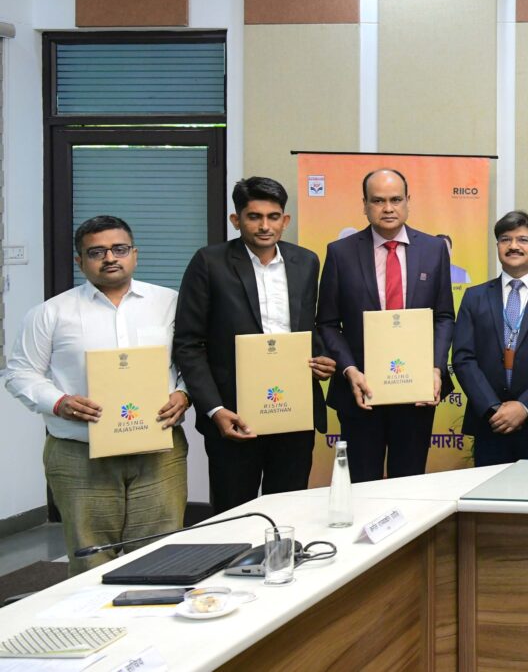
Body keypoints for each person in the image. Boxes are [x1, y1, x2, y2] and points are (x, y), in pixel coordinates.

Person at [3, 216, 190, 574]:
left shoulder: (169, 303)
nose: (110, 258)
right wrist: (59, 403)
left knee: (160, 556)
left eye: (119, 249)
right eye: (97, 252)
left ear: (135, 254)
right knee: (91, 561)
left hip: (158, 453)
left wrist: (183, 394)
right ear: (80, 261)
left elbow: (192, 360)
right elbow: (19, 373)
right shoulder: (51, 313)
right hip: (80, 455)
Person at [173, 177, 335, 513]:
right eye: (254, 217)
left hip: (293, 412)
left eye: (273, 217)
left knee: (288, 511)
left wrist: (321, 358)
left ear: (285, 220)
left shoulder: (306, 262)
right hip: (234, 416)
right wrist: (214, 409)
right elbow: (189, 343)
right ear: (236, 220)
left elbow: (309, 327)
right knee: (234, 513)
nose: (264, 226)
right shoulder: (209, 262)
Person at [317, 168, 455, 481]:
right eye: (378, 201)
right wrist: (350, 370)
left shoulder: (434, 250)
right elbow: (327, 323)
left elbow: (444, 316)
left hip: (416, 391)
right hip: (361, 391)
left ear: (408, 201)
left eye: (396, 199)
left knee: (408, 484)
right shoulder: (340, 253)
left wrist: (435, 368)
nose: (388, 208)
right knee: (362, 484)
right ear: (365, 205)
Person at [453, 211, 528, 464]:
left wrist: (524, 407)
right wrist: (493, 408)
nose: (513, 246)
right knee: (491, 491)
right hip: (491, 424)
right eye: (505, 239)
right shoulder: (474, 297)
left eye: (523, 239)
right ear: (498, 246)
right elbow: (463, 358)